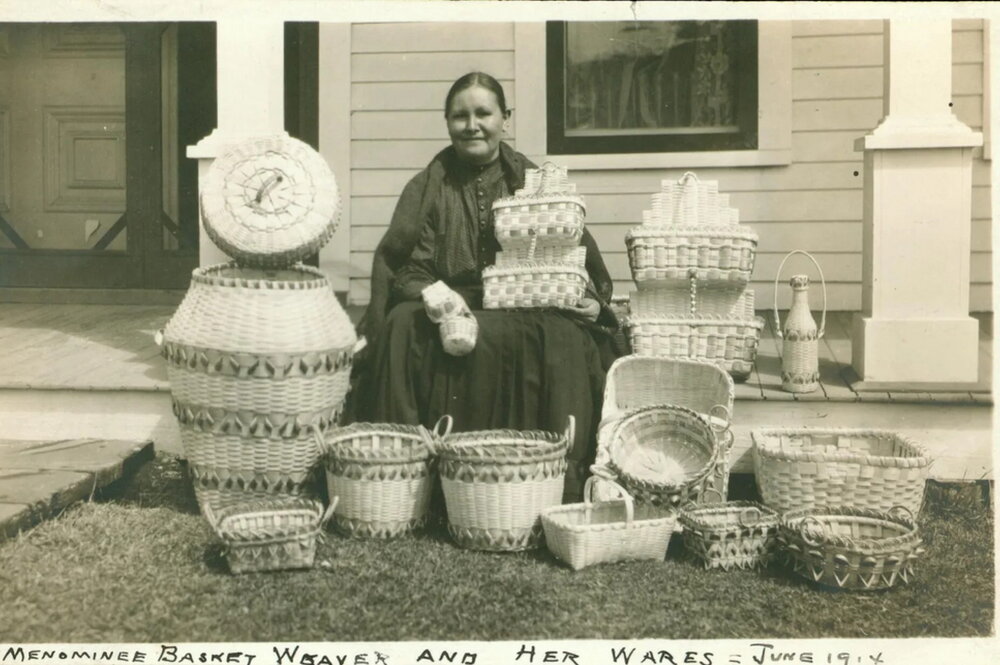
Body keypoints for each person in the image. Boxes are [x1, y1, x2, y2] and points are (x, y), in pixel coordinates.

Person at [349, 72, 621, 501]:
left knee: (564, 336)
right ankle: (406, 478)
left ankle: (551, 482)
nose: (472, 125)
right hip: (451, 302)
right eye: (460, 116)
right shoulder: (428, 187)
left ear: (504, 119)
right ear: (447, 122)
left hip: (521, 301)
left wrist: (589, 301)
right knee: (402, 325)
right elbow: (406, 267)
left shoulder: (533, 181)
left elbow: (573, 255)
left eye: (483, 114)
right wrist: (439, 297)